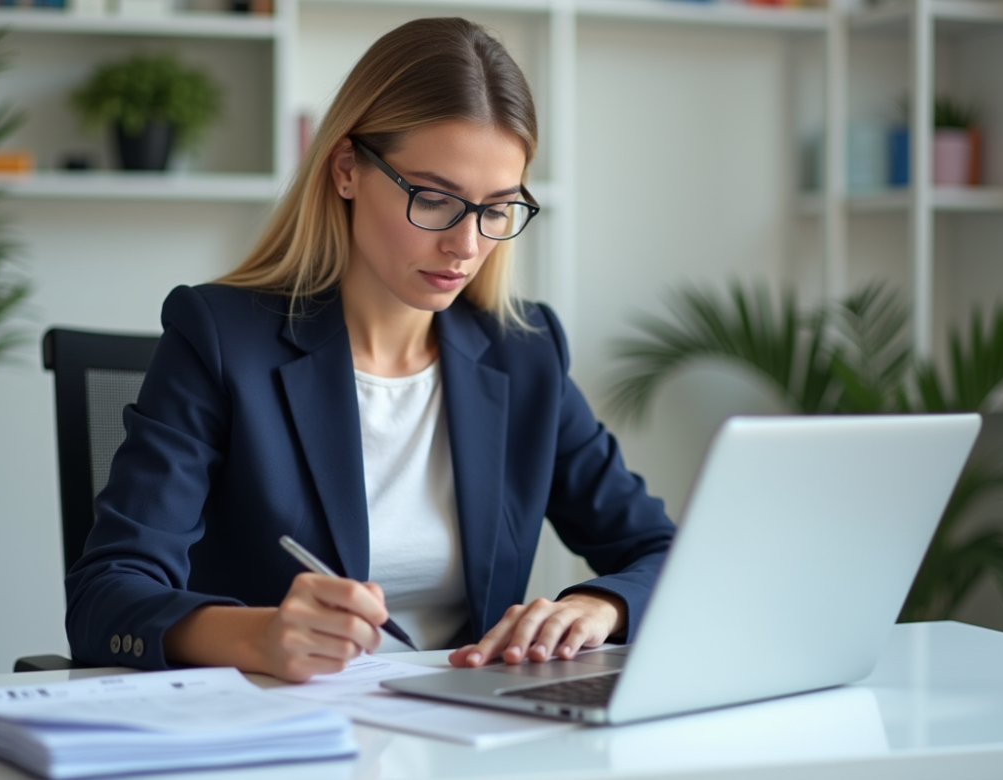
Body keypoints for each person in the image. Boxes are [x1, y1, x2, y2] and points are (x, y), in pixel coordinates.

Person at [65, 17, 676, 683]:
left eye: (497, 208)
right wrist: (258, 637)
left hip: (465, 734)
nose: (466, 246)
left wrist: (602, 604)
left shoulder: (523, 354)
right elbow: (106, 599)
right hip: (284, 732)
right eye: (434, 199)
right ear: (348, 169)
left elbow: (664, 550)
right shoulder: (218, 339)